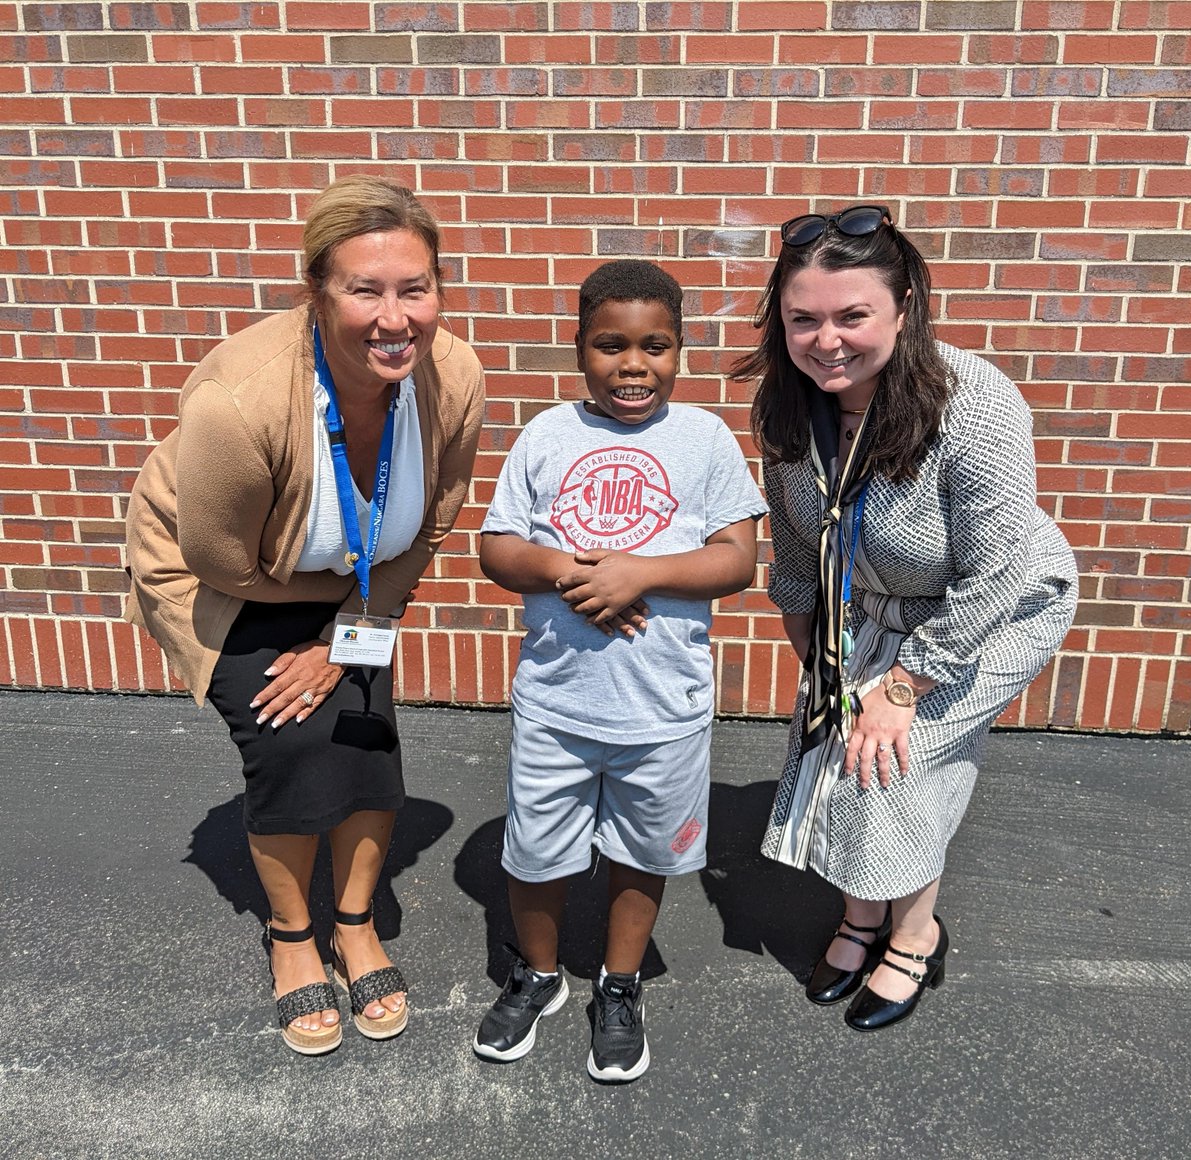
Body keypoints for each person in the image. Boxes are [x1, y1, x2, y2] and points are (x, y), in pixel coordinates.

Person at [125, 176, 485, 1055]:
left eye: (416, 288)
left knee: (364, 730)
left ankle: (355, 922)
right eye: (365, 289)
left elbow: (432, 520)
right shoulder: (241, 404)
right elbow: (222, 560)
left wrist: (347, 637)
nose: (395, 317)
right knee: (289, 740)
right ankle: (292, 938)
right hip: (227, 575)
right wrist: (328, 637)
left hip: (356, 574)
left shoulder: (454, 375)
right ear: (316, 293)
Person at [734, 205, 1077, 1032]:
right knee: (838, 739)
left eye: (853, 316)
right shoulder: (786, 413)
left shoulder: (975, 402)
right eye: (802, 319)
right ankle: (860, 917)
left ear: (902, 310)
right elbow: (795, 559)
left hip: (1000, 607)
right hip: (883, 605)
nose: (827, 341)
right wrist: (820, 670)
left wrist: (904, 684)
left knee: (898, 759)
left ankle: (915, 935)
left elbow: (996, 570)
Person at [472, 260, 765, 1081]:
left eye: (655, 346)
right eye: (611, 345)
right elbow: (497, 548)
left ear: (678, 350)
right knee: (534, 852)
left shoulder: (704, 438)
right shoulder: (547, 434)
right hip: (558, 704)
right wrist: (571, 570)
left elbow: (737, 560)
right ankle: (536, 976)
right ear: (579, 350)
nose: (633, 365)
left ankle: (621, 982)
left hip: (662, 711)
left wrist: (637, 573)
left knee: (645, 852)